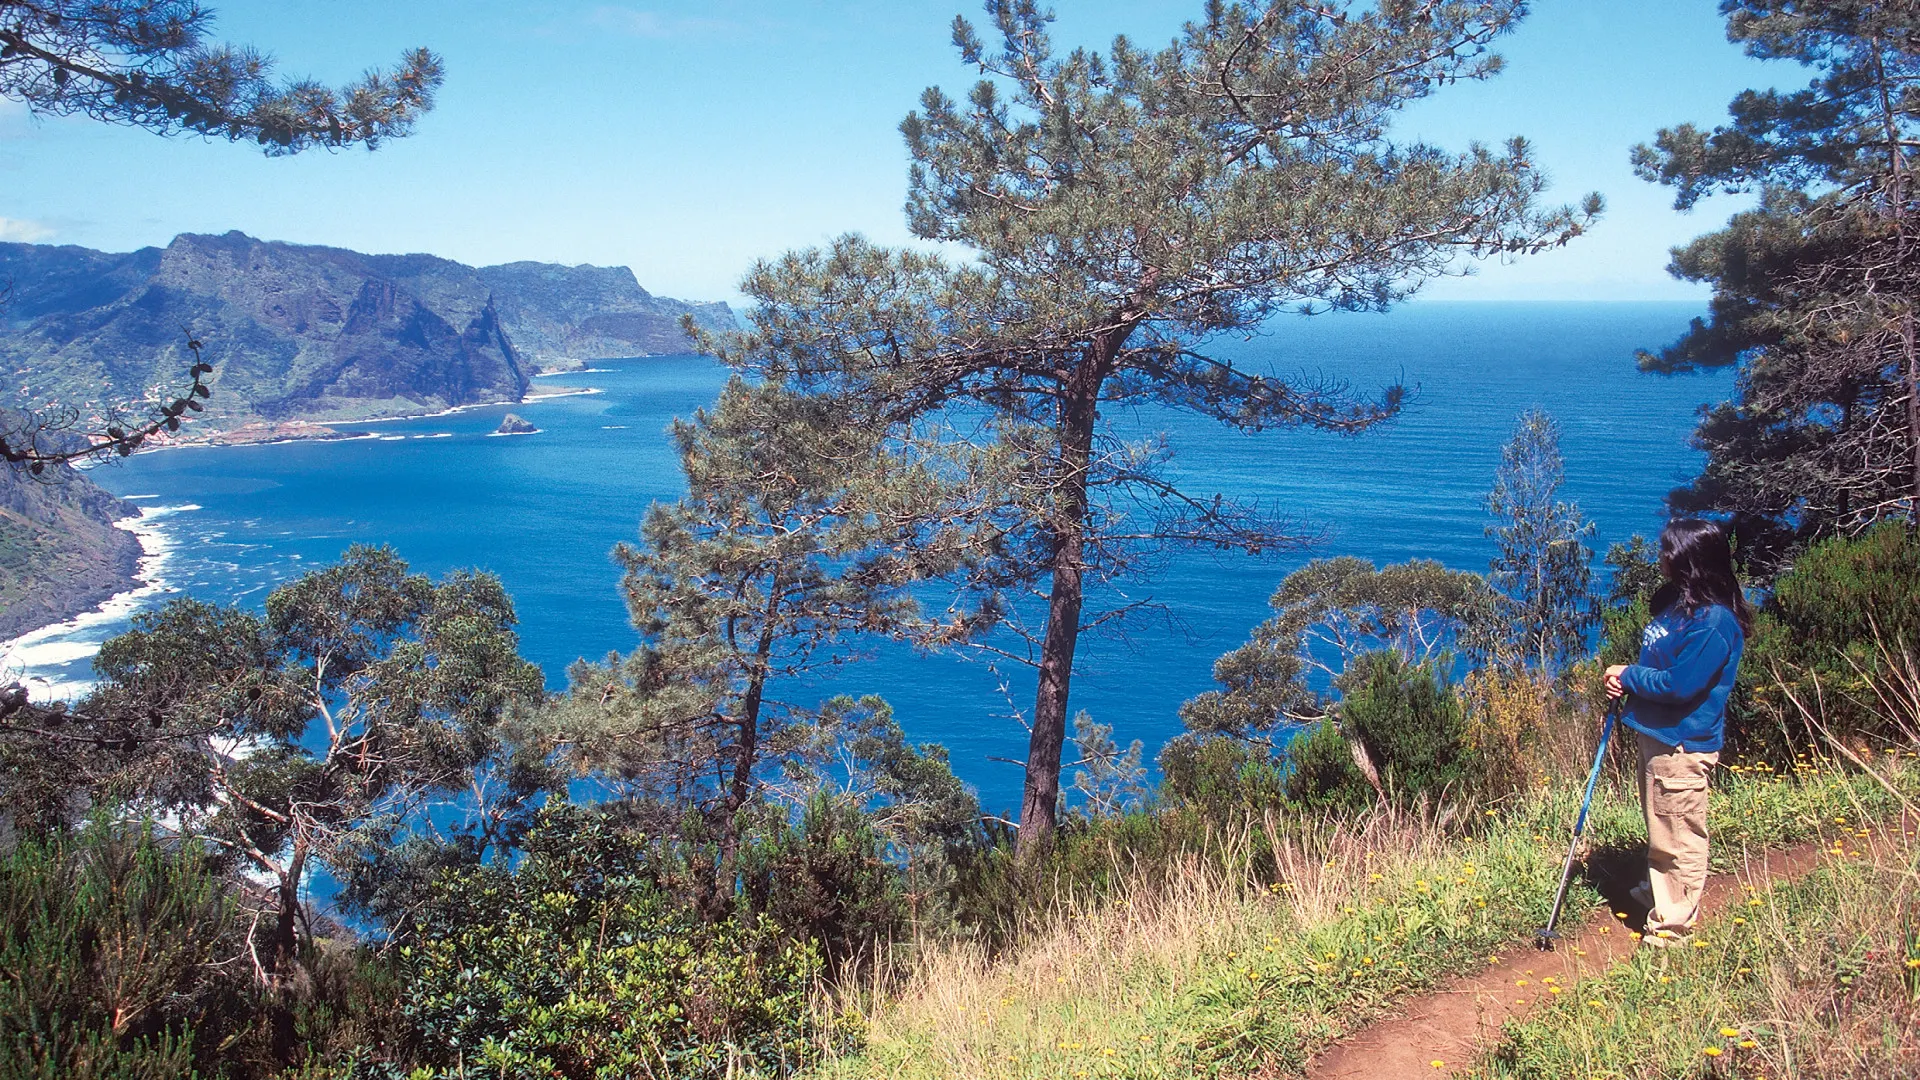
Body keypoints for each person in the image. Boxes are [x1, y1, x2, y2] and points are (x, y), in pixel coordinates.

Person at [1603, 518, 1751, 947]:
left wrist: (1630, 675)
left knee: (1679, 834)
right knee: (1661, 824)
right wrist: (1627, 680)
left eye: (1668, 550)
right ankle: (1658, 890)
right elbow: (1661, 665)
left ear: (1689, 560)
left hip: (1681, 742)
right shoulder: (1681, 606)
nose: (1661, 556)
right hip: (1657, 733)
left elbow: (1679, 685)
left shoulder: (1714, 622)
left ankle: (1672, 926)